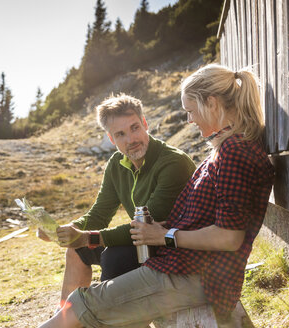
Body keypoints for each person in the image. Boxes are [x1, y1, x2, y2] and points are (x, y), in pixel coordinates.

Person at [39, 64, 275, 328]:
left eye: (190, 111)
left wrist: (165, 235)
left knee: (82, 302)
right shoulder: (225, 149)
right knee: (84, 299)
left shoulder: (233, 152)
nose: (189, 120)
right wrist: (72, 232)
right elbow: (103, 213)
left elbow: (230, 237)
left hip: (197, 276)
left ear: (211, 103)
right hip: (181, 267)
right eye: (120, 134)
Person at [38, 93, 196, 311]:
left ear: (145, 124)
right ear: (111, 139)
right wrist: (65, 231)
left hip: (172, 245)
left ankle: (113, 317)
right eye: (120, 134)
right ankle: (65, 319)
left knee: (113, 257)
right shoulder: (116, 164)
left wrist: (89, 237)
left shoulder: (173, 162)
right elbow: (99, 214)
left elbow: (148, 224)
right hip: (141, 243)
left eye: (134, 128)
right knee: (76, 250)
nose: (131, 139)